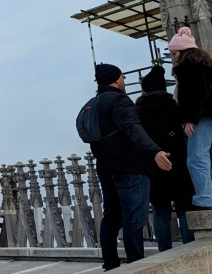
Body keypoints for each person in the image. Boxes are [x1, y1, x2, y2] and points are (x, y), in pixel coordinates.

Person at [89, 63, 172, 270]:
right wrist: (155, 151)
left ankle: (110, 264)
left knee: (111, 217)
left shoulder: (93, 103)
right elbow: (132, 127)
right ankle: (136, 265)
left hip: (105, 168)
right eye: (123, 77)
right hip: (129, 166)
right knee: (134, 217)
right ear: (117, 79)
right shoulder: (119, 100)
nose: (124, 81)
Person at [168, 27, 212, 210]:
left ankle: (204, 199)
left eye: (173, 52)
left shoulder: (187, 66)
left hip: (202, 117)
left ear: (182, 51)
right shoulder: (206, 65)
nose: (172, 56)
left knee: (197, 158)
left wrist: (190, 119)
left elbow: (197, 94)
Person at [136, 65, 195, 250]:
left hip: (154, 163)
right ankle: (189, 248)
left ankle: (165, 251)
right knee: (184, 209)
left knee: (160, 211)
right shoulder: (174, 105)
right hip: (178, 161)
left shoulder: (138, 109)